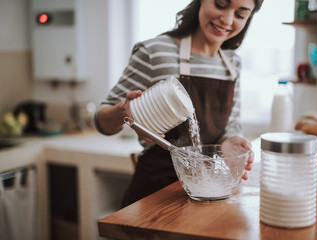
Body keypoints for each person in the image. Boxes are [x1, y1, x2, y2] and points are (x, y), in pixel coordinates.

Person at [95, 0, 264, 208]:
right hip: (154, 192)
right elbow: (101, 121)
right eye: (220, 4)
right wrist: (124, 110)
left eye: (240, 14)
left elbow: (230, 126)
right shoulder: (155, 52)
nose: (227, 20)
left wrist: (230, 143)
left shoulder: (232, 63)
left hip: (206, 189)